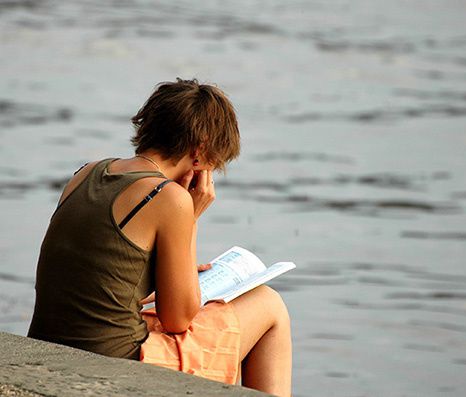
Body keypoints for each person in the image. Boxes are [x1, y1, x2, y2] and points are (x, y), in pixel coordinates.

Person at [27, 79, 292, 396]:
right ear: (199, 152)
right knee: (269, 305)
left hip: (49, 346)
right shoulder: (166, 197)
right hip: (114, 361)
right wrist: (190, 217)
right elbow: (178, 319)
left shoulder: (88, 172)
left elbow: (99, 276)